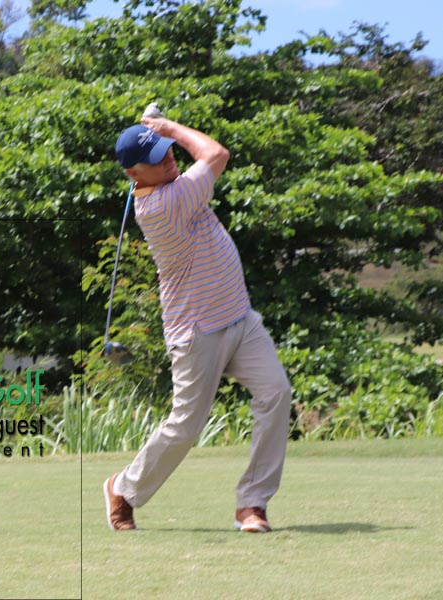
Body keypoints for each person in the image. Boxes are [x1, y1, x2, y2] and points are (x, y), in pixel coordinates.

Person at [103, 112, 293, 533]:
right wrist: (170, 128)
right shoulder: (162, 204)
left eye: (167, 150)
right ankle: (123, 489)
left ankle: (252, 504)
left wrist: (163, 136)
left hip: (239, 316)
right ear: (134, 174)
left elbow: (201, 159)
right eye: (157, 157)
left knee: (276, 392)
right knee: (186, 427)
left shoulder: (172, 185)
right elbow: (216, 153)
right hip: (196, 331)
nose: (168, 157)